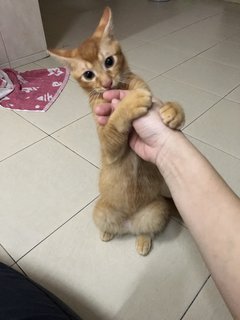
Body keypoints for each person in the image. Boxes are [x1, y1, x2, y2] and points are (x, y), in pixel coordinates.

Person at [95, 90, 240, 319]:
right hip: (115, 206)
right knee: (102, 218)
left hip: (146, 205)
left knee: (153, 219)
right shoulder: (106, 117)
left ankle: (145, 233)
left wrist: (173, 116)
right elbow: (110, 150)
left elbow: (164, 114)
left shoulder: (140, 98)